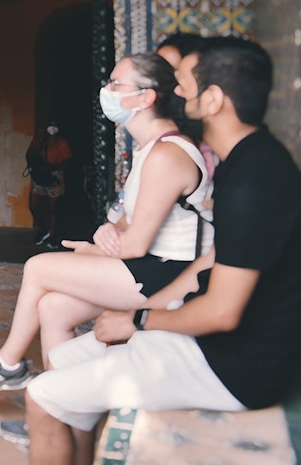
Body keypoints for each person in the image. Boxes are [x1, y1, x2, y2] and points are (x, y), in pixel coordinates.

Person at [24, 37, 301, 465]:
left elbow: (223, 312)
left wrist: (140, 320)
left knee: (40, 393)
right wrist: (141, 315)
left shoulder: (254, 182)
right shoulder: (242, 162)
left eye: (185, 81)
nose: (177, 89)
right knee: (61, 364)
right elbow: (211, 262)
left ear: (212, 99)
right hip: (211, 343)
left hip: (233, 367)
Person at [0, 52, 213, 443]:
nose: (106, 91)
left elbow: (137, 242)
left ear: (145, 98)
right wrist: (109, 231)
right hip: (148, 264)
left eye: (116, 84)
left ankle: (8, 363)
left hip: (170, 273)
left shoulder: (167, 154)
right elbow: (126, 220)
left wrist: (98, 248)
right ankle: (58, 415)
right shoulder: (149, 148)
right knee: (52, 307)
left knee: (39, 267)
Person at [25, 120, 72, 247]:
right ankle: (43, 230)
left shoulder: (62, 142)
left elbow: (67, 161)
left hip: (55, 175)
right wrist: (38, 138)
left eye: (55, 125)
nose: (52, 128)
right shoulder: (40, 141)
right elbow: (29, 155)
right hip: (39, 176)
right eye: (50, 125)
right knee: (33, 206)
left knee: (52, 209)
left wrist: (51, 167)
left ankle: (52, 236)